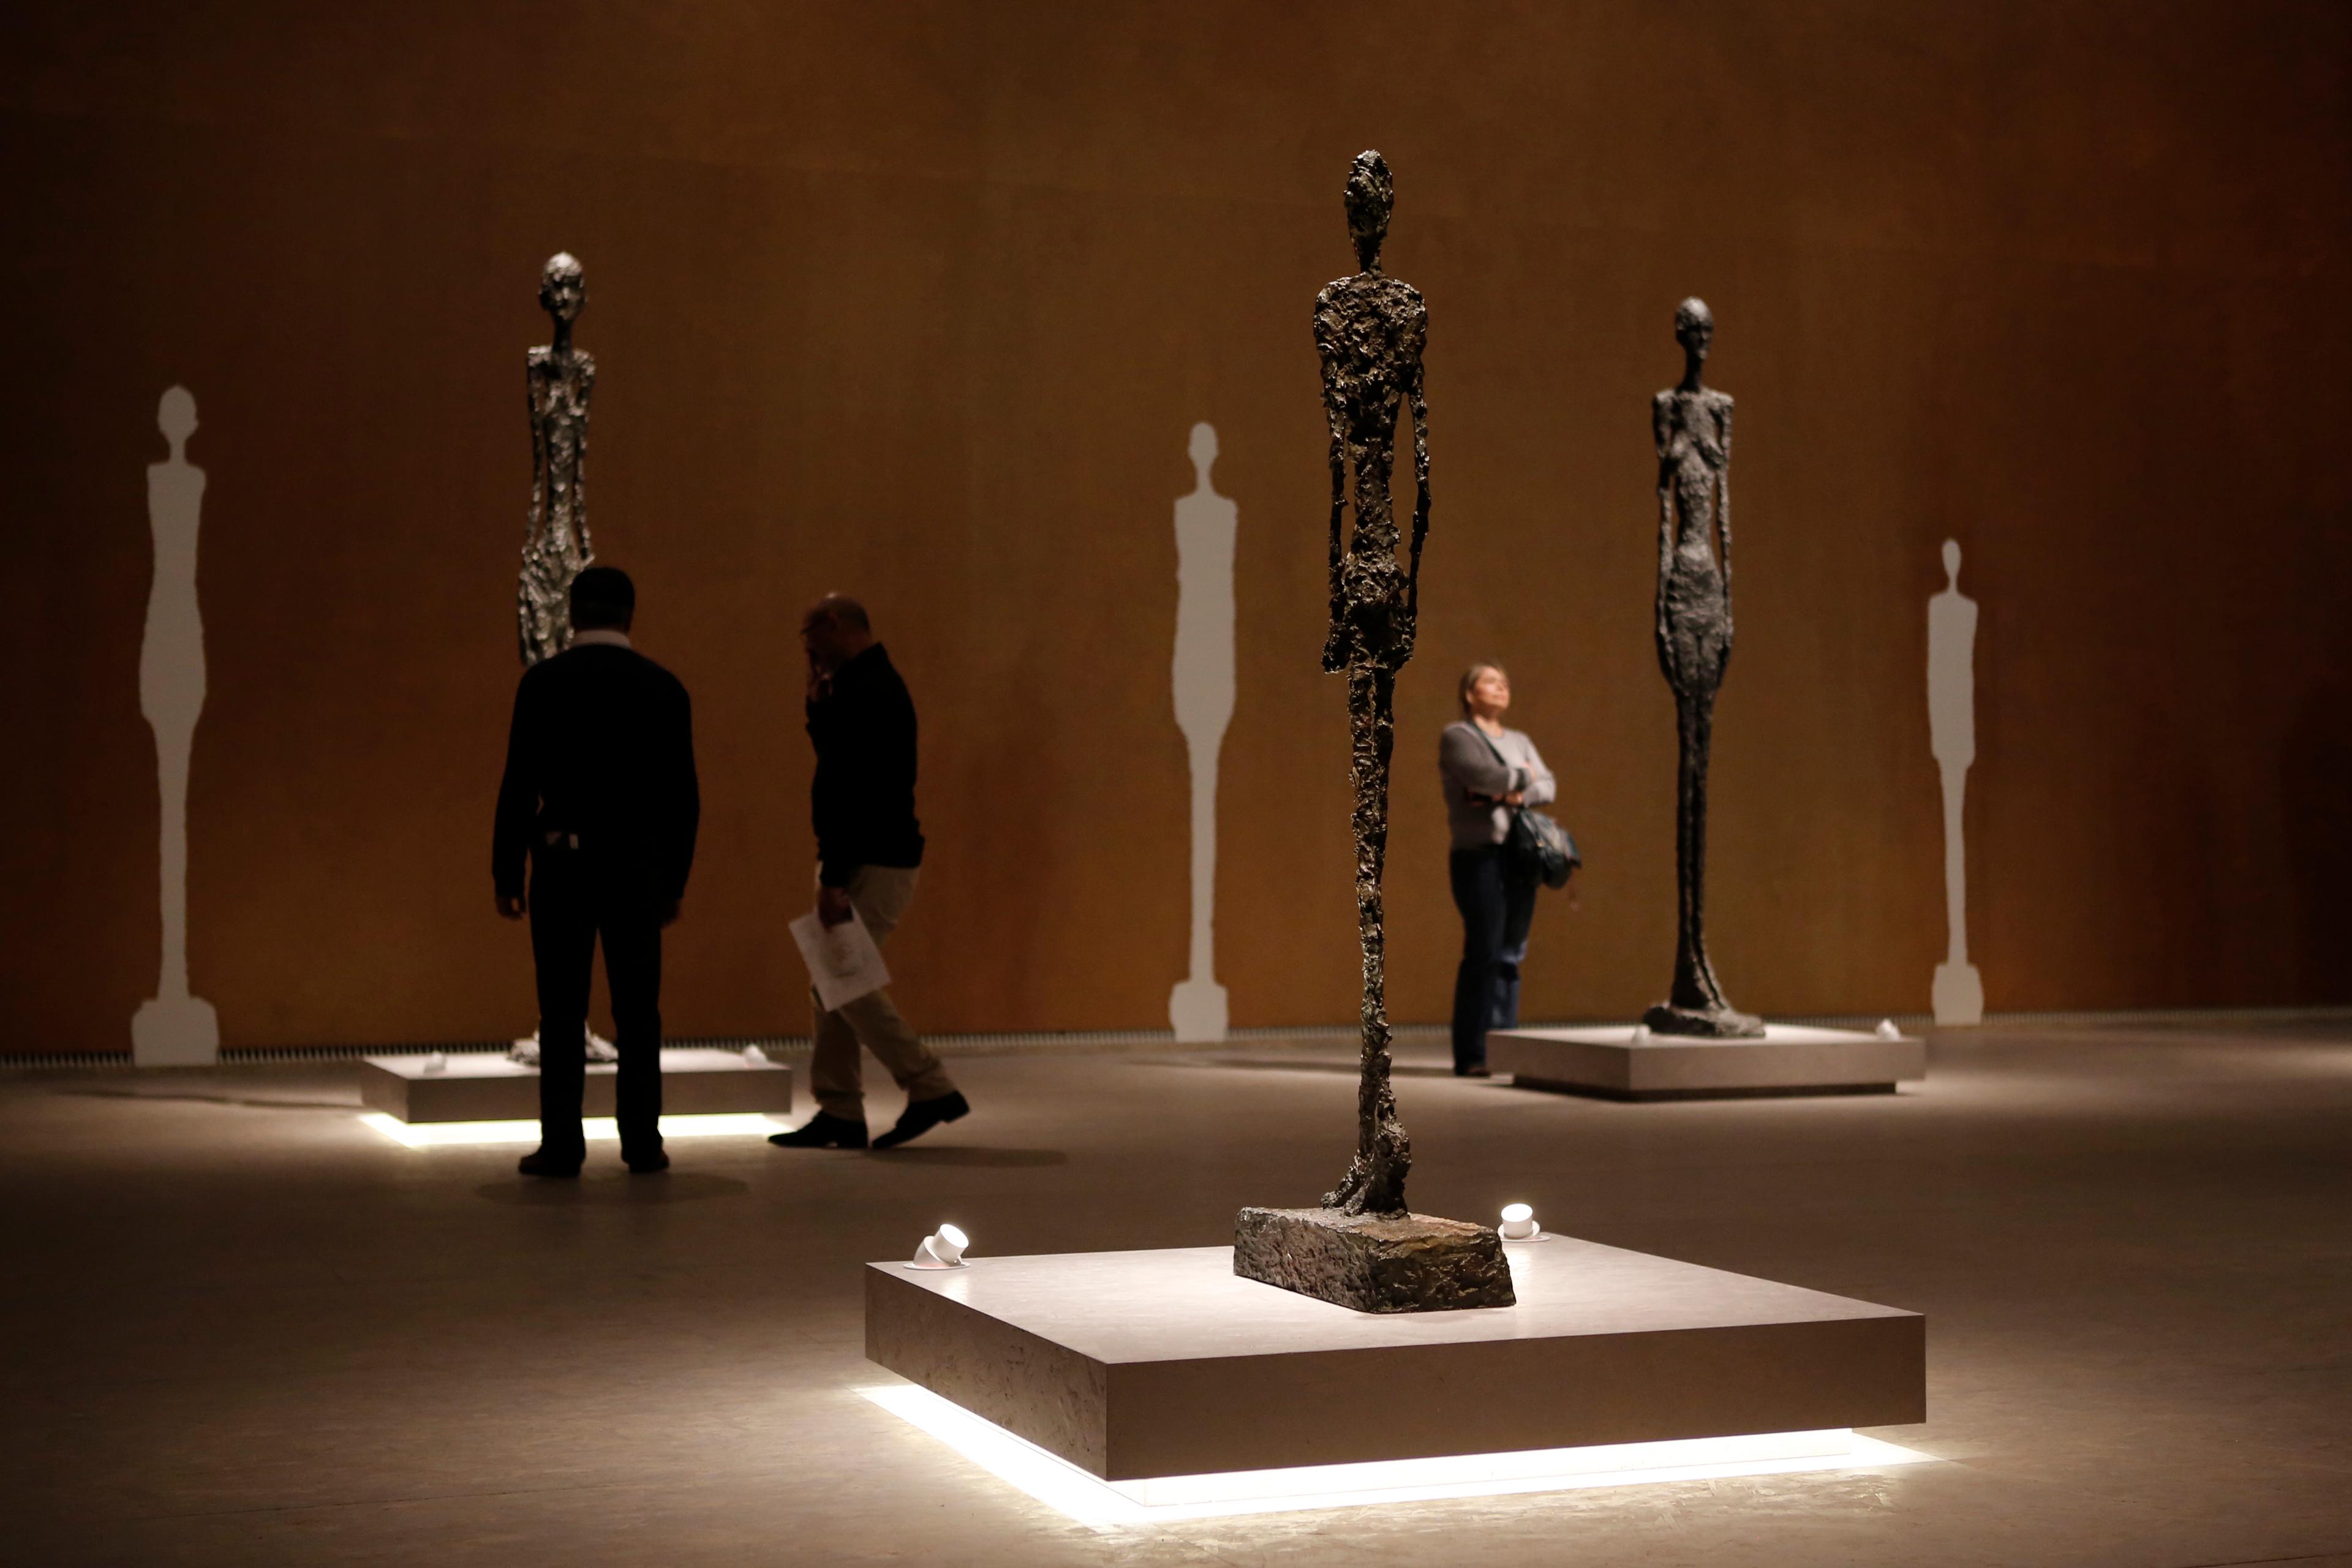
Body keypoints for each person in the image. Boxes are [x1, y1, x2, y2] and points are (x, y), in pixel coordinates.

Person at [492, 567, 699, 1177]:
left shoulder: (543, 683)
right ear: (630, 615)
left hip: (561, 864)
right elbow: (682, 798)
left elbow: (519, 785)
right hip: (637, 867)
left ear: (573, 613)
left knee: (561, 1008)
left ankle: (562, 1144)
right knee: (639, 1010)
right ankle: (643, 1141)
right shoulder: (664, 688)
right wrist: (674, 881)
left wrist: (507, 873)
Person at [769, 595, 970, 1152]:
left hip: (871, 857)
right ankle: (839, 1111)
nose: (806, 649)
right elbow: (839, 764)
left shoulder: (871, 689)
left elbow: (855, 790)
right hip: (864, 853)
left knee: (846, 984)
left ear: (834, 626)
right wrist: (817, 709)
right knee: (831, 983)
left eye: (807, 635)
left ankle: (930, 1085)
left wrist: (834, 874)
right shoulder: (861, 685)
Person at [1439, 663, 1557, 1077]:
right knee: (1484, 952)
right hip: (1478, 857)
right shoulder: (1458, 737)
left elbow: (1549, 786)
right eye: (1491, 681)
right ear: (1470, 693)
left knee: (1511, 955)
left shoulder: (1520, 739)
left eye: (1505, 681)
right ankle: (1472, 1054)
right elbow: (1480, 776)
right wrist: (1524, 778)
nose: (1502, 687)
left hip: (1518, 857)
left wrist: (1508, 793)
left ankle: (1505, 1049)